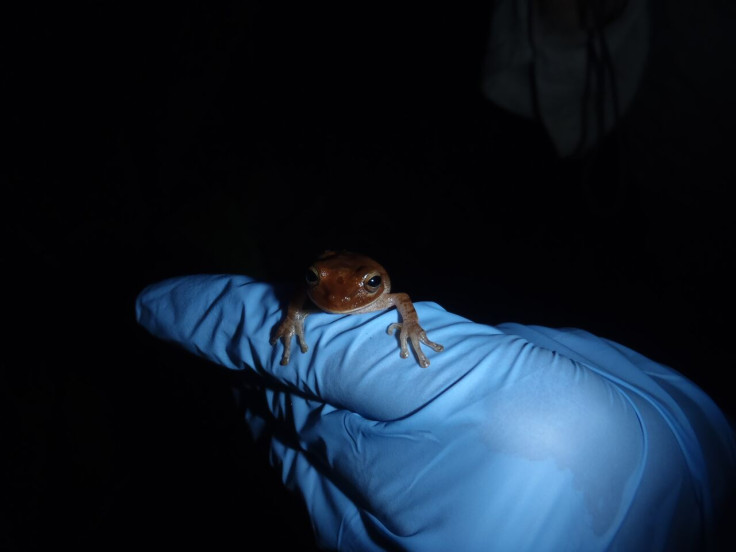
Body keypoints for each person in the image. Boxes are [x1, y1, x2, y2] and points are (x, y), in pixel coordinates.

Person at [136, 273, 735, 551]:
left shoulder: (386, 293)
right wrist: (293, 313)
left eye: (361, 285)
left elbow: (399, 298)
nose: (341, 298)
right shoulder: (323, 288)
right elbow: (309, 291)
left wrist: (408, 324)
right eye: (325, 282)